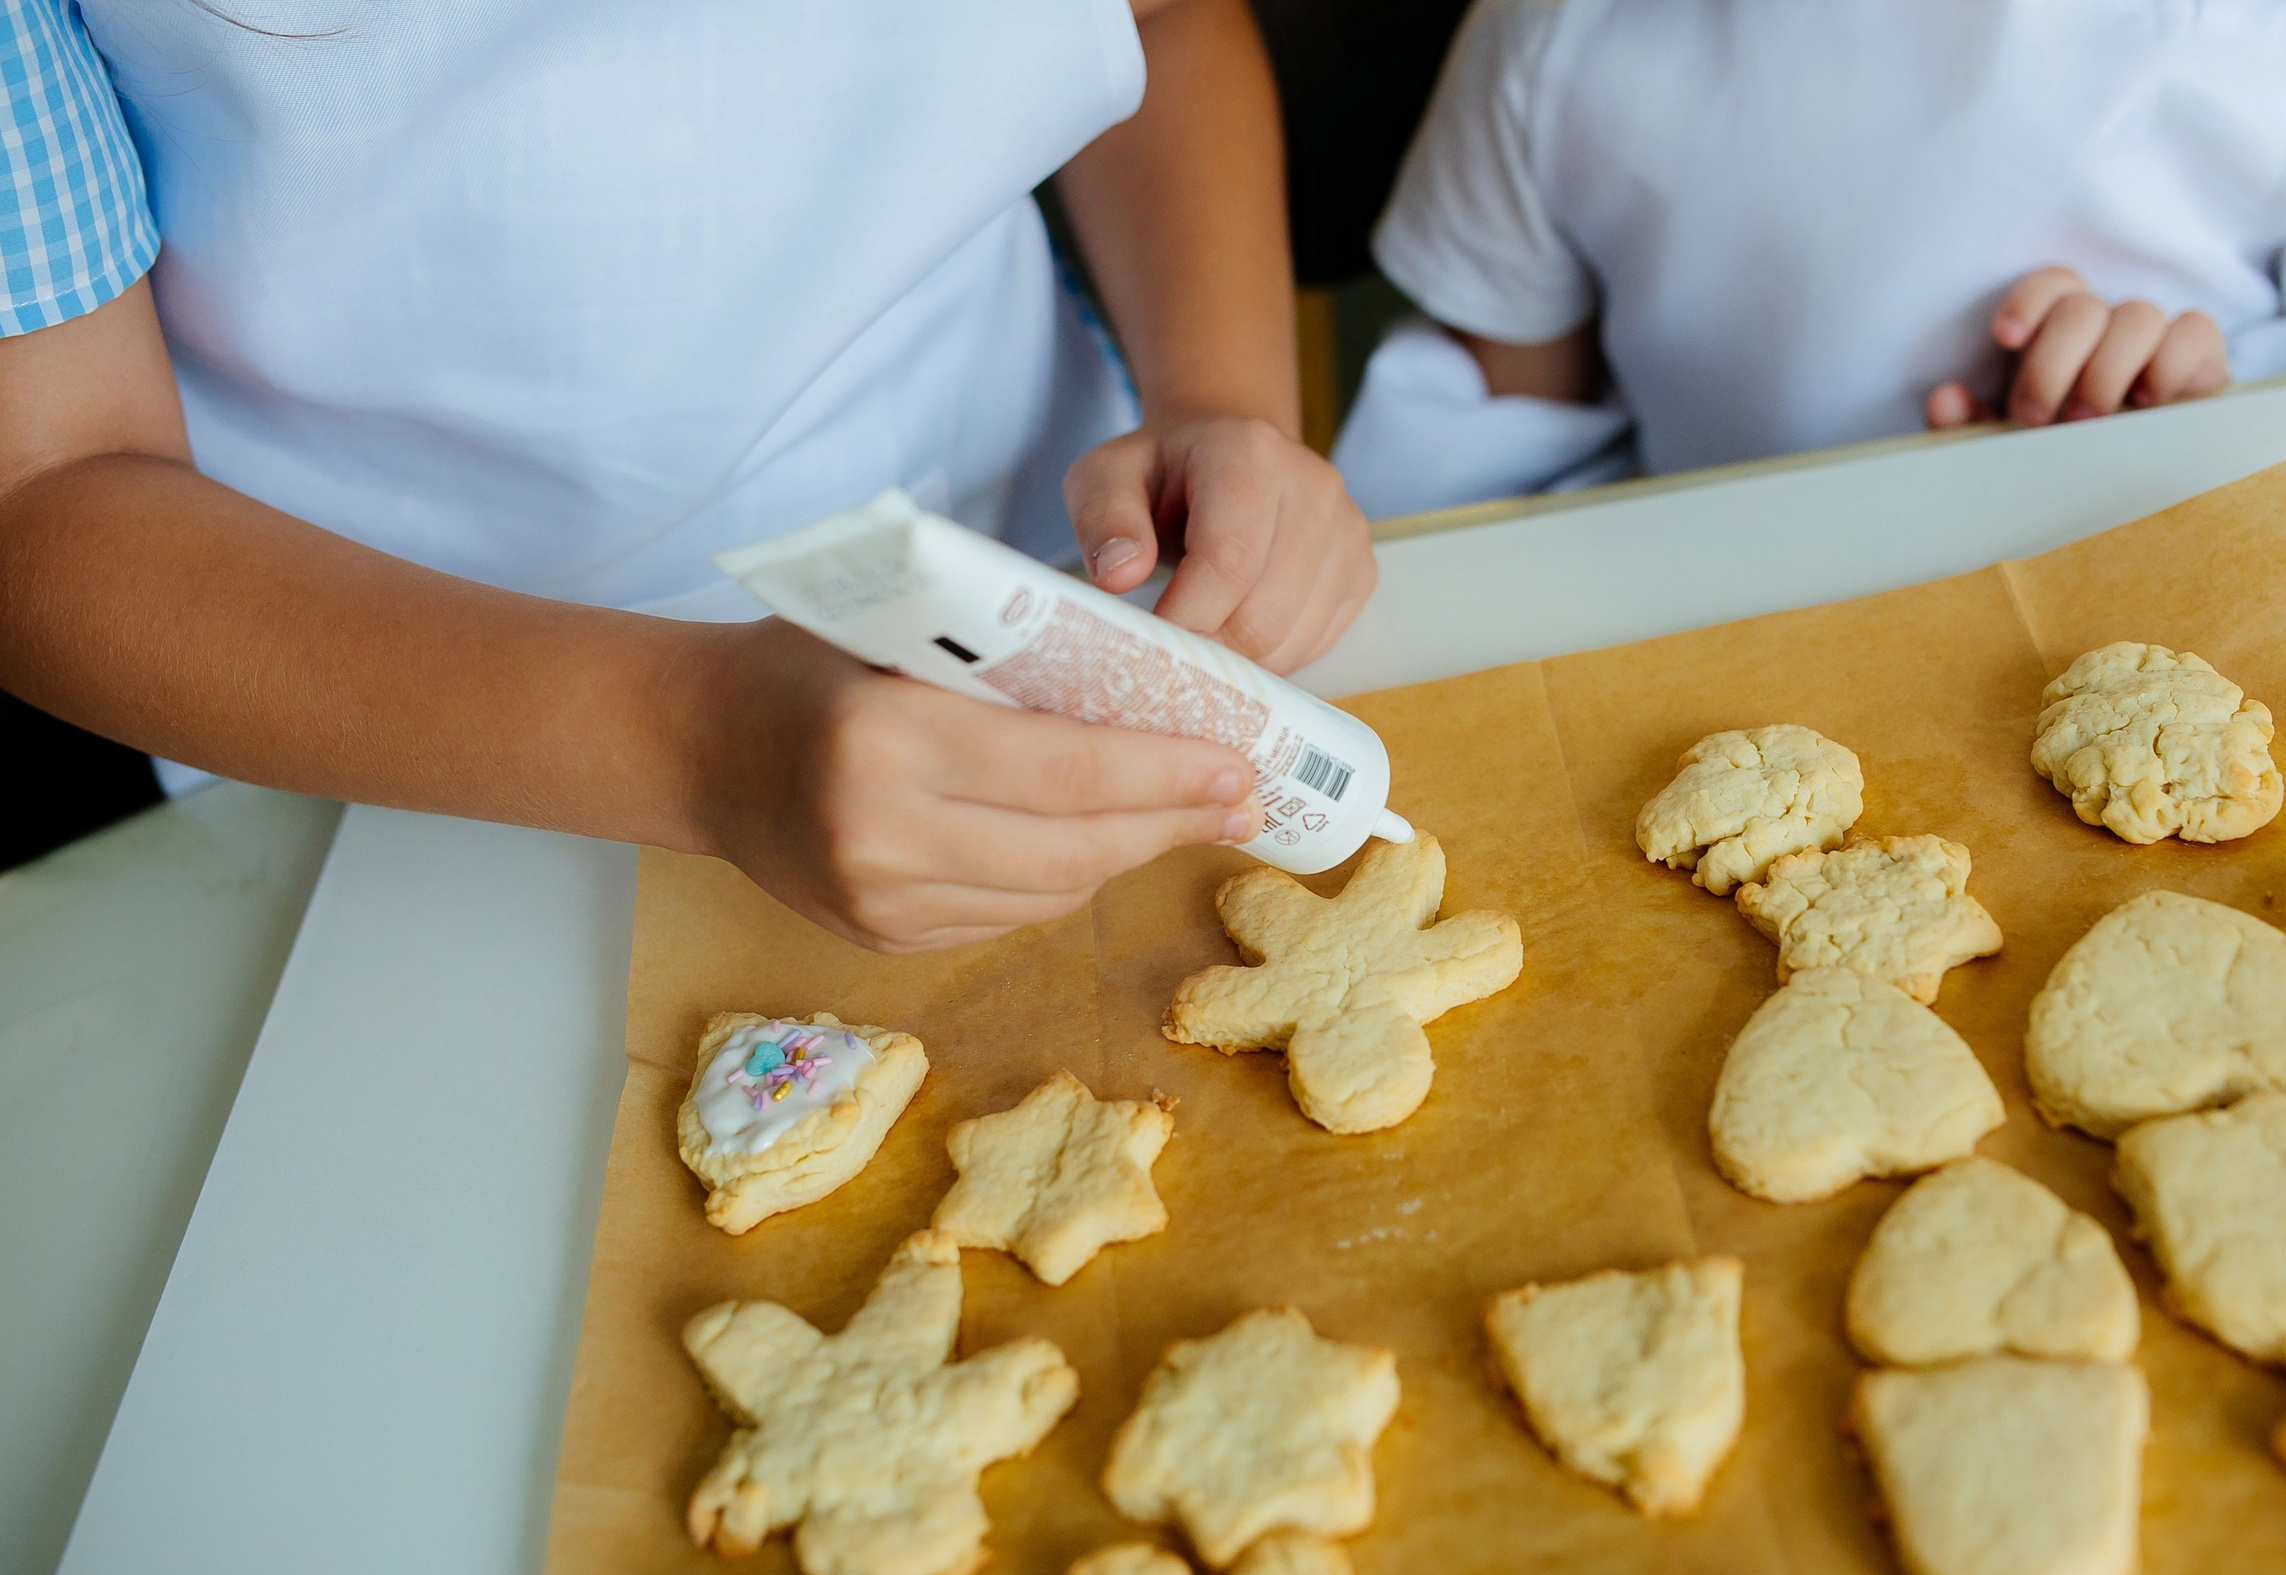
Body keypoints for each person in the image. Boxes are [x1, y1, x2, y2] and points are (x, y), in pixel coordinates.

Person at [0, 0, 1375, 948]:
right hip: (387, 723)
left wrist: (1224, 398)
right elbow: (47, 489)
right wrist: (699, 746)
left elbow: (1161, 23)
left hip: (1051, 544)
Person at [1329, 0, 2286, 519]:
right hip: (1730, 650)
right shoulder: (1558, 33)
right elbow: (1490, 461)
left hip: (2195, 603)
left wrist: (2207, 412)